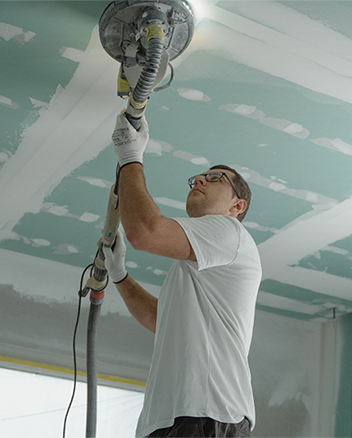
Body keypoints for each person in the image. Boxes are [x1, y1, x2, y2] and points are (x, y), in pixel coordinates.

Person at [102, 109, 262, 438]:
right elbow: (161, 319)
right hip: (172, 419)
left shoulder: (230, 233)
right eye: (198, 177)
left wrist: (130, 157)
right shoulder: (195, 268)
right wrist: (120, 276)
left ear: (237, 206)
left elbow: (144, 232)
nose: (199, 179)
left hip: (209, 413)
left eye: (215, 178)